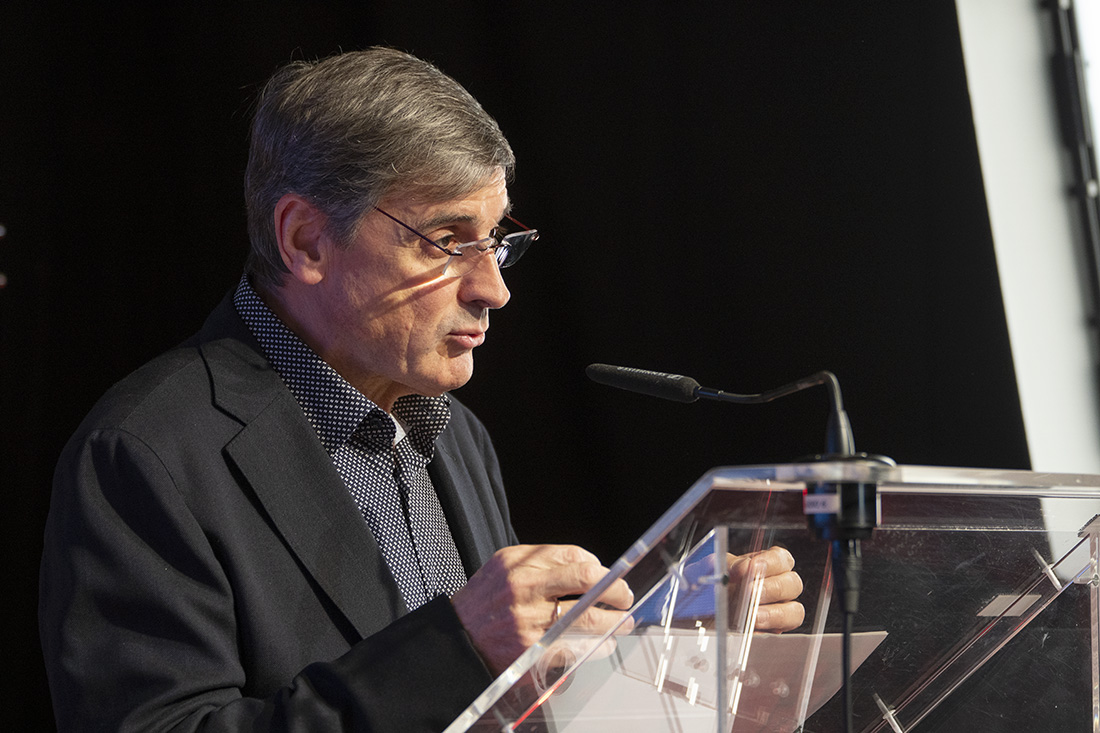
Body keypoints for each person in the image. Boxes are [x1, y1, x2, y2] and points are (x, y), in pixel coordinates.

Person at [39, 47, 804, 731]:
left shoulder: (455, 432)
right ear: (306, 240)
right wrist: (455, 645)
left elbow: (505, 710)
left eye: (496, 240)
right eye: (446, 240)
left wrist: (666, 648)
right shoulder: (146, 452)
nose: (494, 289)